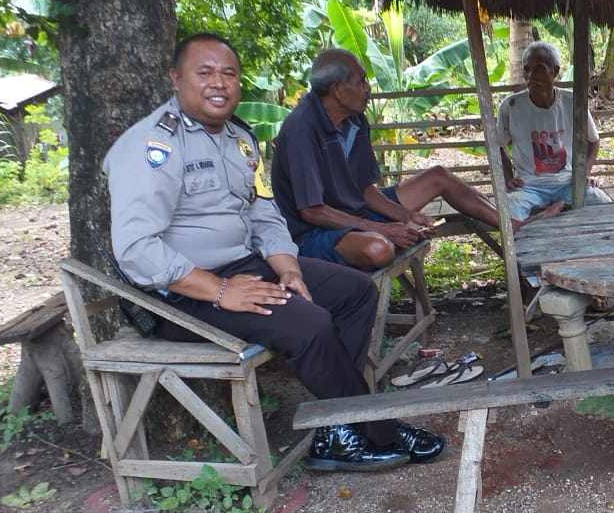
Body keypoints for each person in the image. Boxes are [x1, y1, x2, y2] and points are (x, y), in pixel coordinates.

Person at [104, 33, 445, 472]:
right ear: (175, 78)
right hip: (182, 294)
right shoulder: (152, 146)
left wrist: (287, 266)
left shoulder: (238, 139)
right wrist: (219, 289)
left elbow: (264, 213)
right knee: (311, 323)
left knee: (355, 292)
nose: (219, 84)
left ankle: (335, 427)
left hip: (245, 267)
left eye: (229, 73)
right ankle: (372, 425)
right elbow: (135, 249)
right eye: (204, 73)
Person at [272, 48, 561, 270]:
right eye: (361, 82)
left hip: (355, 212)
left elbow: (365, 191)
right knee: (379, 249)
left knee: (438, 176)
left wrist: (406, 217)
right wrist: (385, 229)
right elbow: (313, 212)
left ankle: (513, 225)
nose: (368, 88)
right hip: (314, 232)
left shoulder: (355, 120)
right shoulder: (302, 129)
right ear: (337, 89)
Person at [495, 40, 611, 220]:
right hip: (528, 186)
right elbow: (498, 145)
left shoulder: (572, 102)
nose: (531, 75)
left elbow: (593, 141)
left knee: (603, 203)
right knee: (508, 210)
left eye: (539, 69)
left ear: (555, 71)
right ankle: (524, 248)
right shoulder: (511, 106)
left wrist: (584, 174)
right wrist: (508, 178)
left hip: (567, 183)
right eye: (527, 69)